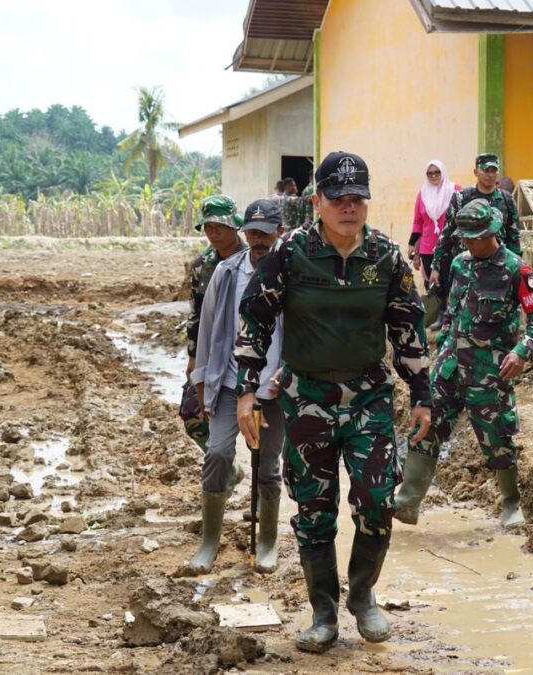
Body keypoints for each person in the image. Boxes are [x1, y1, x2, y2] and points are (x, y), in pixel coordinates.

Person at [235, 151, 432, 653]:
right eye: (339, 198)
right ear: (317, 201)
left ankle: (363, 598)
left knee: (375, 500)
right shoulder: (290, 254)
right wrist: (246, 391)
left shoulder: (387, 258)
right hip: (308, 402)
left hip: (368, 399)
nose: (349, 207)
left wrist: (424, 396)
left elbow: (409, 328)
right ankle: (323, 612)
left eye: (358, 199)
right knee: (314, 507)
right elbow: (255, 317)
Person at [394, 199, 533, 529]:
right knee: (426, 425)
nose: (468, 243)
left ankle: (511, 503)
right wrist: (444, 341)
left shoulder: (515, 269)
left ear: (491, 233)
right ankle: (407, 502)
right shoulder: (460, 264)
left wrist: (521, 352)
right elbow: (452, 310)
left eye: (474, 237)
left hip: (489, 372)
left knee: (497, 437)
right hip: (450, 366)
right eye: (464, 238)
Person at [187, 199, 286, 574]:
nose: (258, 240)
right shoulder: (226, 273)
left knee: (268, 467)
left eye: (265, 232)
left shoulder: (290, 273)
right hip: (230, 384)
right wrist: (201, 379)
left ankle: (267, 541)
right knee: (217, 453)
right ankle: (209, 540)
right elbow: (208, 328)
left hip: (273, 388)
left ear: (279, 232)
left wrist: (286, 372)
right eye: (252, 233)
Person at [183, 196, 248, 453]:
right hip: (210, 350)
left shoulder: (252, 259)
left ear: (235, 226)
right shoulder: (203, 266)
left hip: (246, 349)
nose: (214, 233)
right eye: (209, 227)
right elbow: (196, 313)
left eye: (220, 226)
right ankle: (224, 464)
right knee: (191, 415)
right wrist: (193, 356)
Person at [428, 153, 522, 330]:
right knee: (462, 311)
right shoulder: (462, 198)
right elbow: (446, 233)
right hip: (468, 265)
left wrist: (517, 266)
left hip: (498, 267)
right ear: (476, 171)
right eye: (486, 170)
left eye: (494, 170)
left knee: (496, 312)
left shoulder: (506, 200)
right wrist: (436, 266)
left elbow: (514, 236)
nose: (490, 174)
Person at [408, 159, 459, 282]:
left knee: (451, 286)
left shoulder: (455, 190)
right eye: (429, 173)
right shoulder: (422, 194)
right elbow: (418, 222)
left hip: (450, 246)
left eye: (437, 172)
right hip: (428, 248)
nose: (433, 175)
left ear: (443, 172)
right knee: (435, 289)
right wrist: (412, 246)